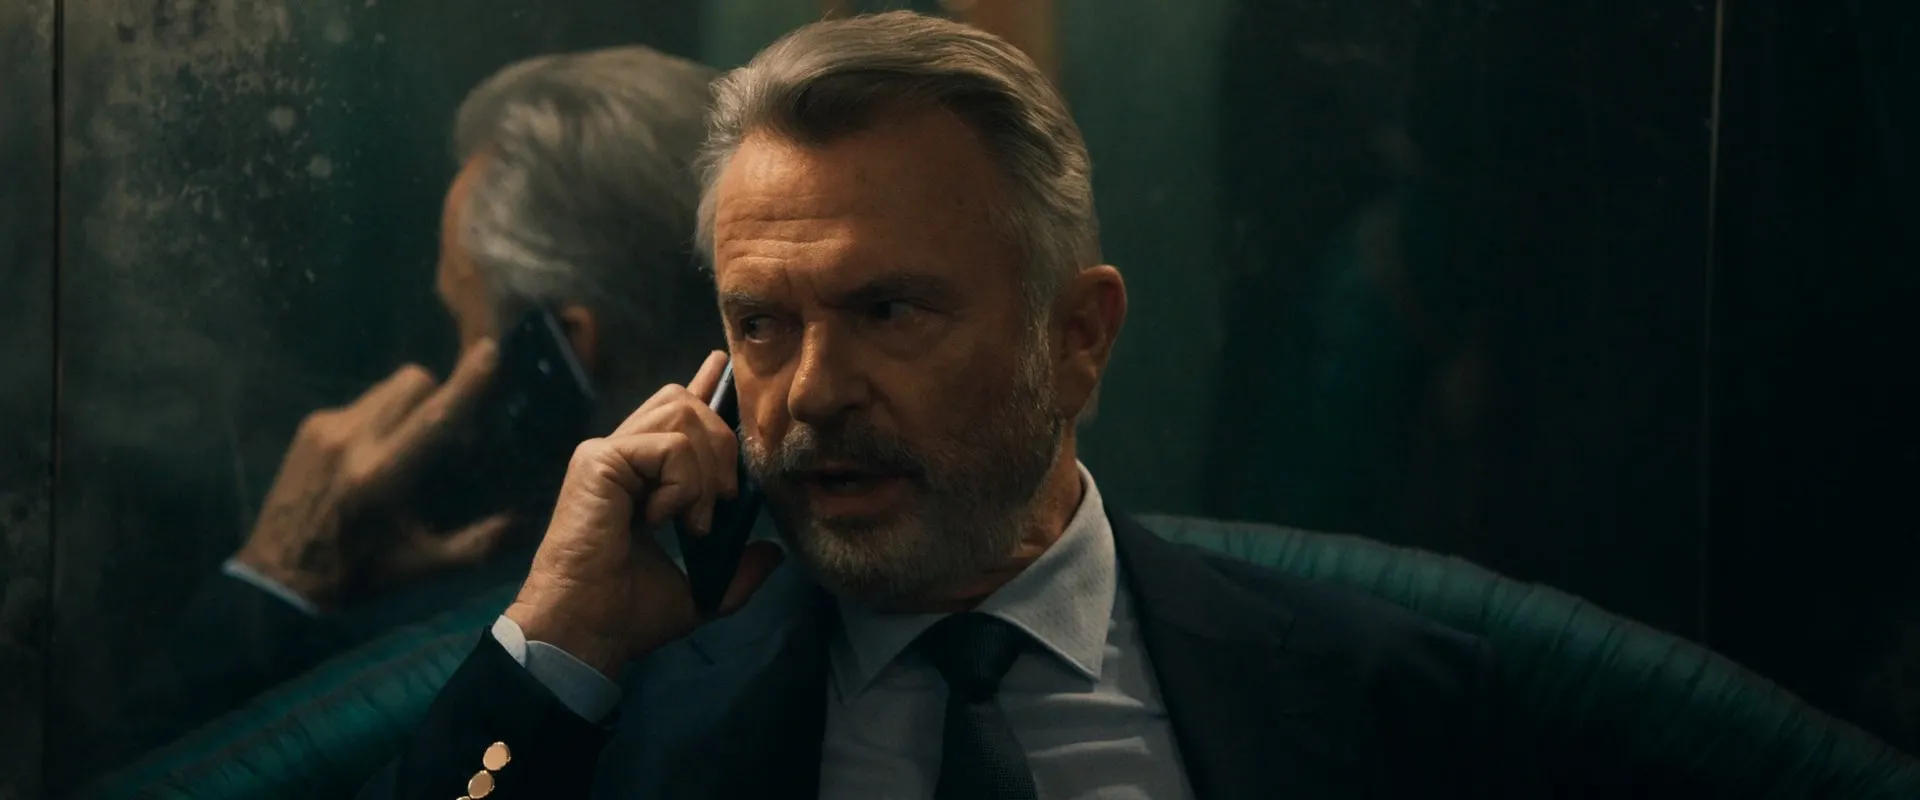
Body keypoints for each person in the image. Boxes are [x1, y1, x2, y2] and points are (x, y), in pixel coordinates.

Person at [361, 12, 1526, 799]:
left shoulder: (1382, 697)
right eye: (761, 324)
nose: (813, 390)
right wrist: (558, 643)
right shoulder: (615, 718)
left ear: (1078, 338)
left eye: (887, 310)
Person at [109, 45, 722, 769]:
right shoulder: (748, 575)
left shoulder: (509, 639)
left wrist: (277, 576)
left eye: (463, 324)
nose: (449, 371)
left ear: (565, 348)